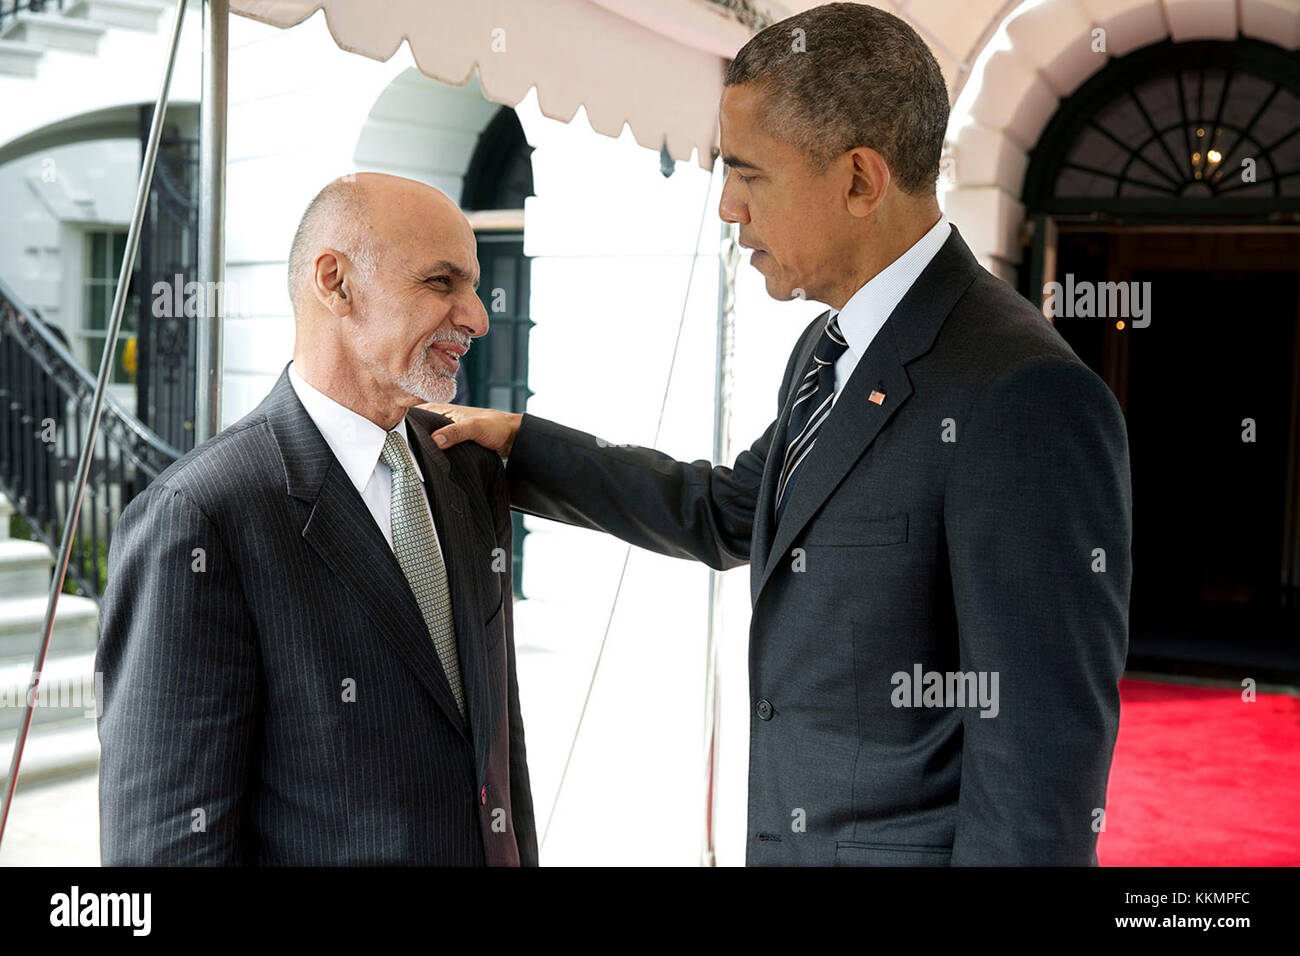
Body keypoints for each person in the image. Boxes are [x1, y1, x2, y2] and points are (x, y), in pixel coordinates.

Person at [427, 3, 1131, 865]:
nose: (727, 206)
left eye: (747, 173)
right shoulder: (826, 345)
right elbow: (730, 509)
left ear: (861, 181)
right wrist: (521, 444)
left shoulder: (1026, 395)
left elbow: (1039, 775)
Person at [97, 172, 537, 866]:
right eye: (442, 282)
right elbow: (168, 849)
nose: (477, 315)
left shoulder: (470, 473)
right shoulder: (200, 518)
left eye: (475, 285)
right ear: (335, 283)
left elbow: (496, 749)